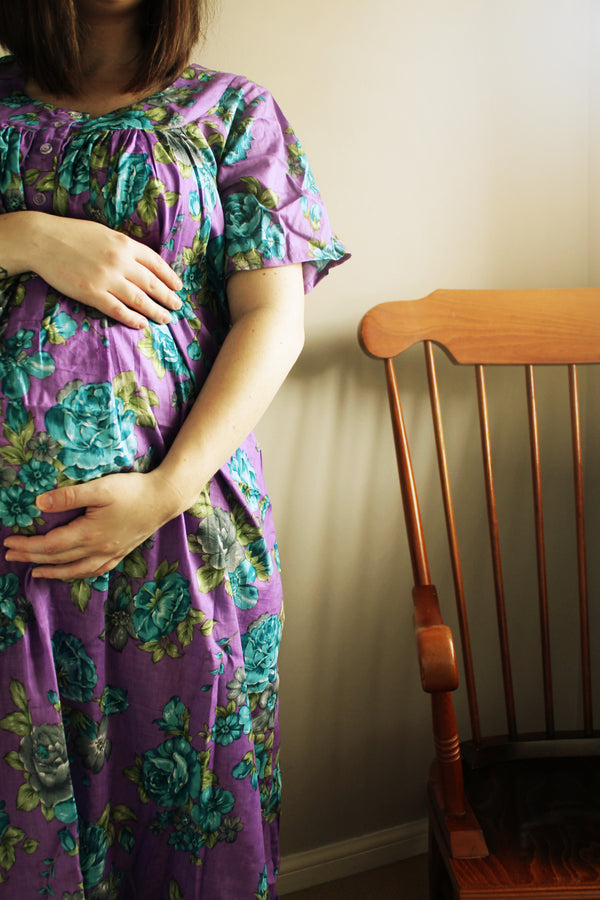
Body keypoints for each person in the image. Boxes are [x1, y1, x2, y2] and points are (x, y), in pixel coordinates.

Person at [0, 1, 348, 896]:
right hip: (8, 560)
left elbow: (273, 317)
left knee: (182, 823)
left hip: (178, 535)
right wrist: (29, 238)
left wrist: (163, 489)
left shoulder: (232, 113)